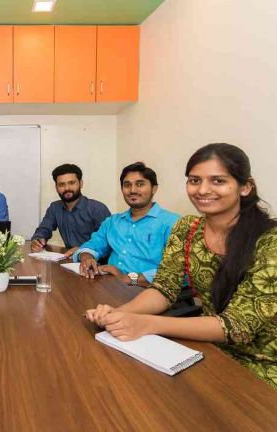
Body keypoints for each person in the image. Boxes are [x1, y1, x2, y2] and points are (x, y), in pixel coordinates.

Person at [85, 144, 277, 390]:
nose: (203, 190)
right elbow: (164, 288)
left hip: (263, 364)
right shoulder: (187, 228)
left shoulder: (269, 241)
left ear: (245, 187)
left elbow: (238, 326)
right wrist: (119, 313)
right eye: (195, 180)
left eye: (218, 181)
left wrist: (145, 323)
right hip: (209, 349)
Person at [74, 162, 179, 286]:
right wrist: (87, 257)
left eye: (140, 184)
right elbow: (93, 245)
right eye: (127, 185)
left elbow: (178, 272)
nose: (132, 190)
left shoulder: (173, 223)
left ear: (154, 188)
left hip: (151, 290)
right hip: (110, 285)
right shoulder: (112, 222)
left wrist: (129, 279)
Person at [31, 163, 110, 257]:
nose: (66, 188)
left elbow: (109, 241)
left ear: (81, 183)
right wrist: (38, 240)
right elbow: (44, 229)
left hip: (96, 261)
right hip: (69, 260)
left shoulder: (97, 208)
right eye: (61, 184)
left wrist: (83, 249)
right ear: (56, 187)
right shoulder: (55, 208)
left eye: (71, 183)